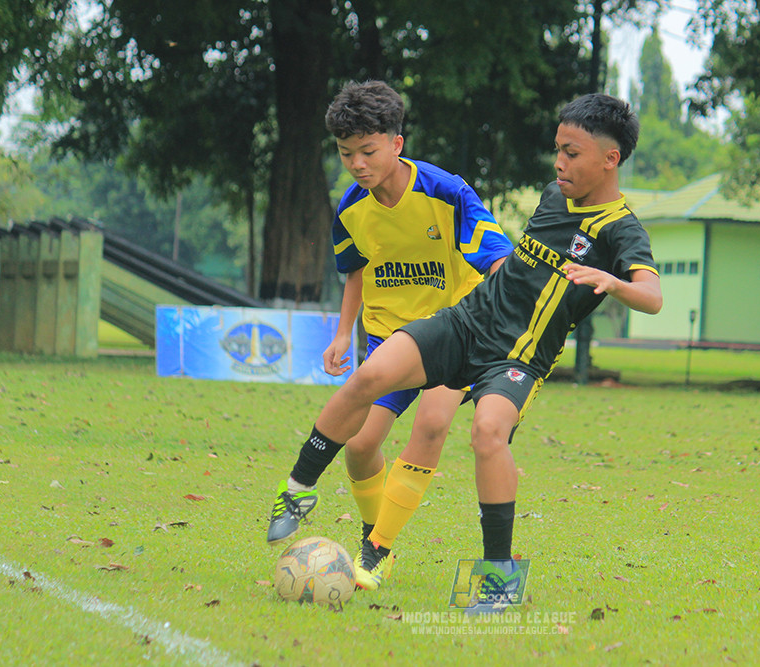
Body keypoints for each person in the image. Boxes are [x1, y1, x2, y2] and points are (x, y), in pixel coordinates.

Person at [267, 92, 662, 596]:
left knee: (487, 433)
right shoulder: (552, 195)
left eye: (571, 153)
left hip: (519, 356)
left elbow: (652, 297)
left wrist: (614, 283)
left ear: (611, 159)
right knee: (370, 376)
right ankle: (298, 489)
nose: (559, 162)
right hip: (466, 321)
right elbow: (510, 265)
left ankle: (495, 578)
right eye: (557, 150)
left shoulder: (621, 230)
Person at [267, 80, 513, 592]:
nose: (357, 164)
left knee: (432, 425)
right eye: (345, 153)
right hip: (388, 335)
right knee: (360, 446)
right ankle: (369, 531)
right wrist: (343, 334)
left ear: (397, 144)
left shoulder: (447, 192)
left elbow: (499, 261)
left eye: (368, 151)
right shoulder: (349, 209)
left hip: (455, 332)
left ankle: (376, 551)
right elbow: (356, 270)